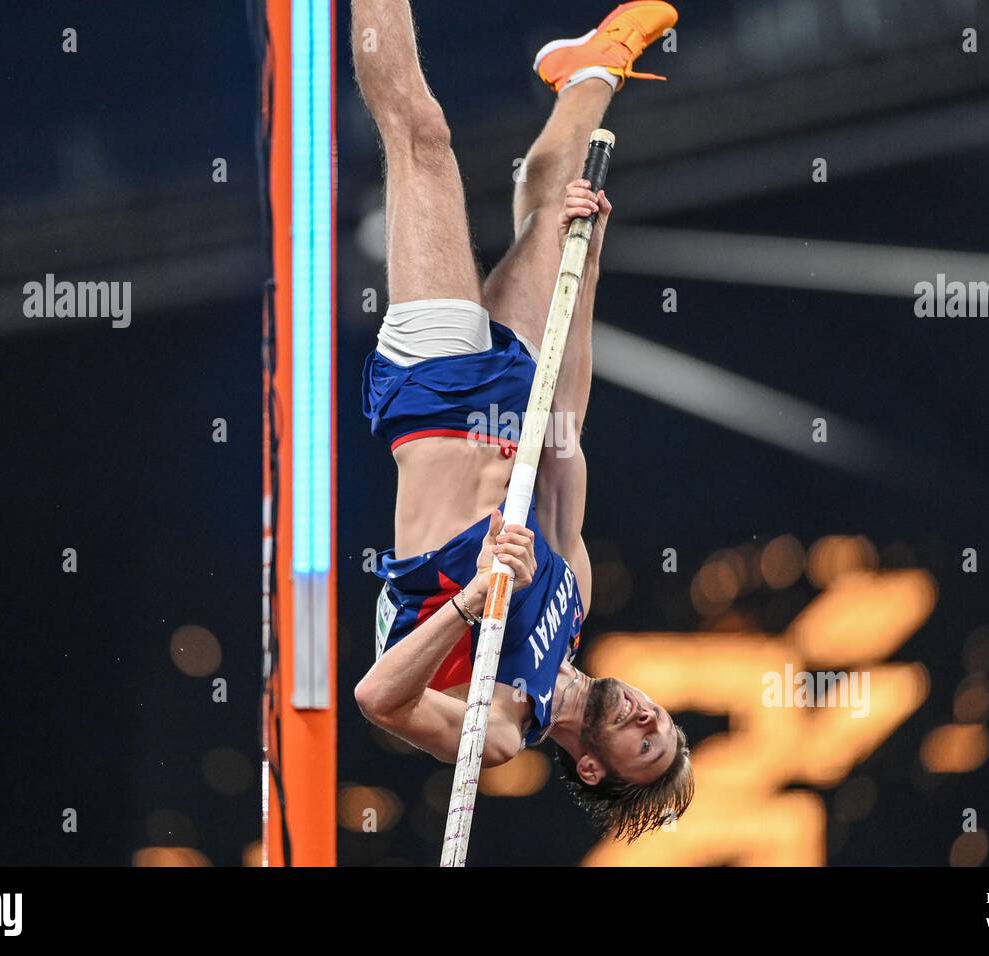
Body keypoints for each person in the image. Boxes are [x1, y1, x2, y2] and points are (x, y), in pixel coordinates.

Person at [352, 0, 693, 842]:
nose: (651, 720)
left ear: (592, 766)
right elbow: (566, 431)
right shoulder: (572, 602)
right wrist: (587, 260)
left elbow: (377, 696)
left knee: (423, 138)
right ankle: (588, 70)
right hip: (511, 397)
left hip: (432, 396)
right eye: (666, 727)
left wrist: (472, 601)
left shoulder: (497, 729)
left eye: (644, 747)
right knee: (556, 204)